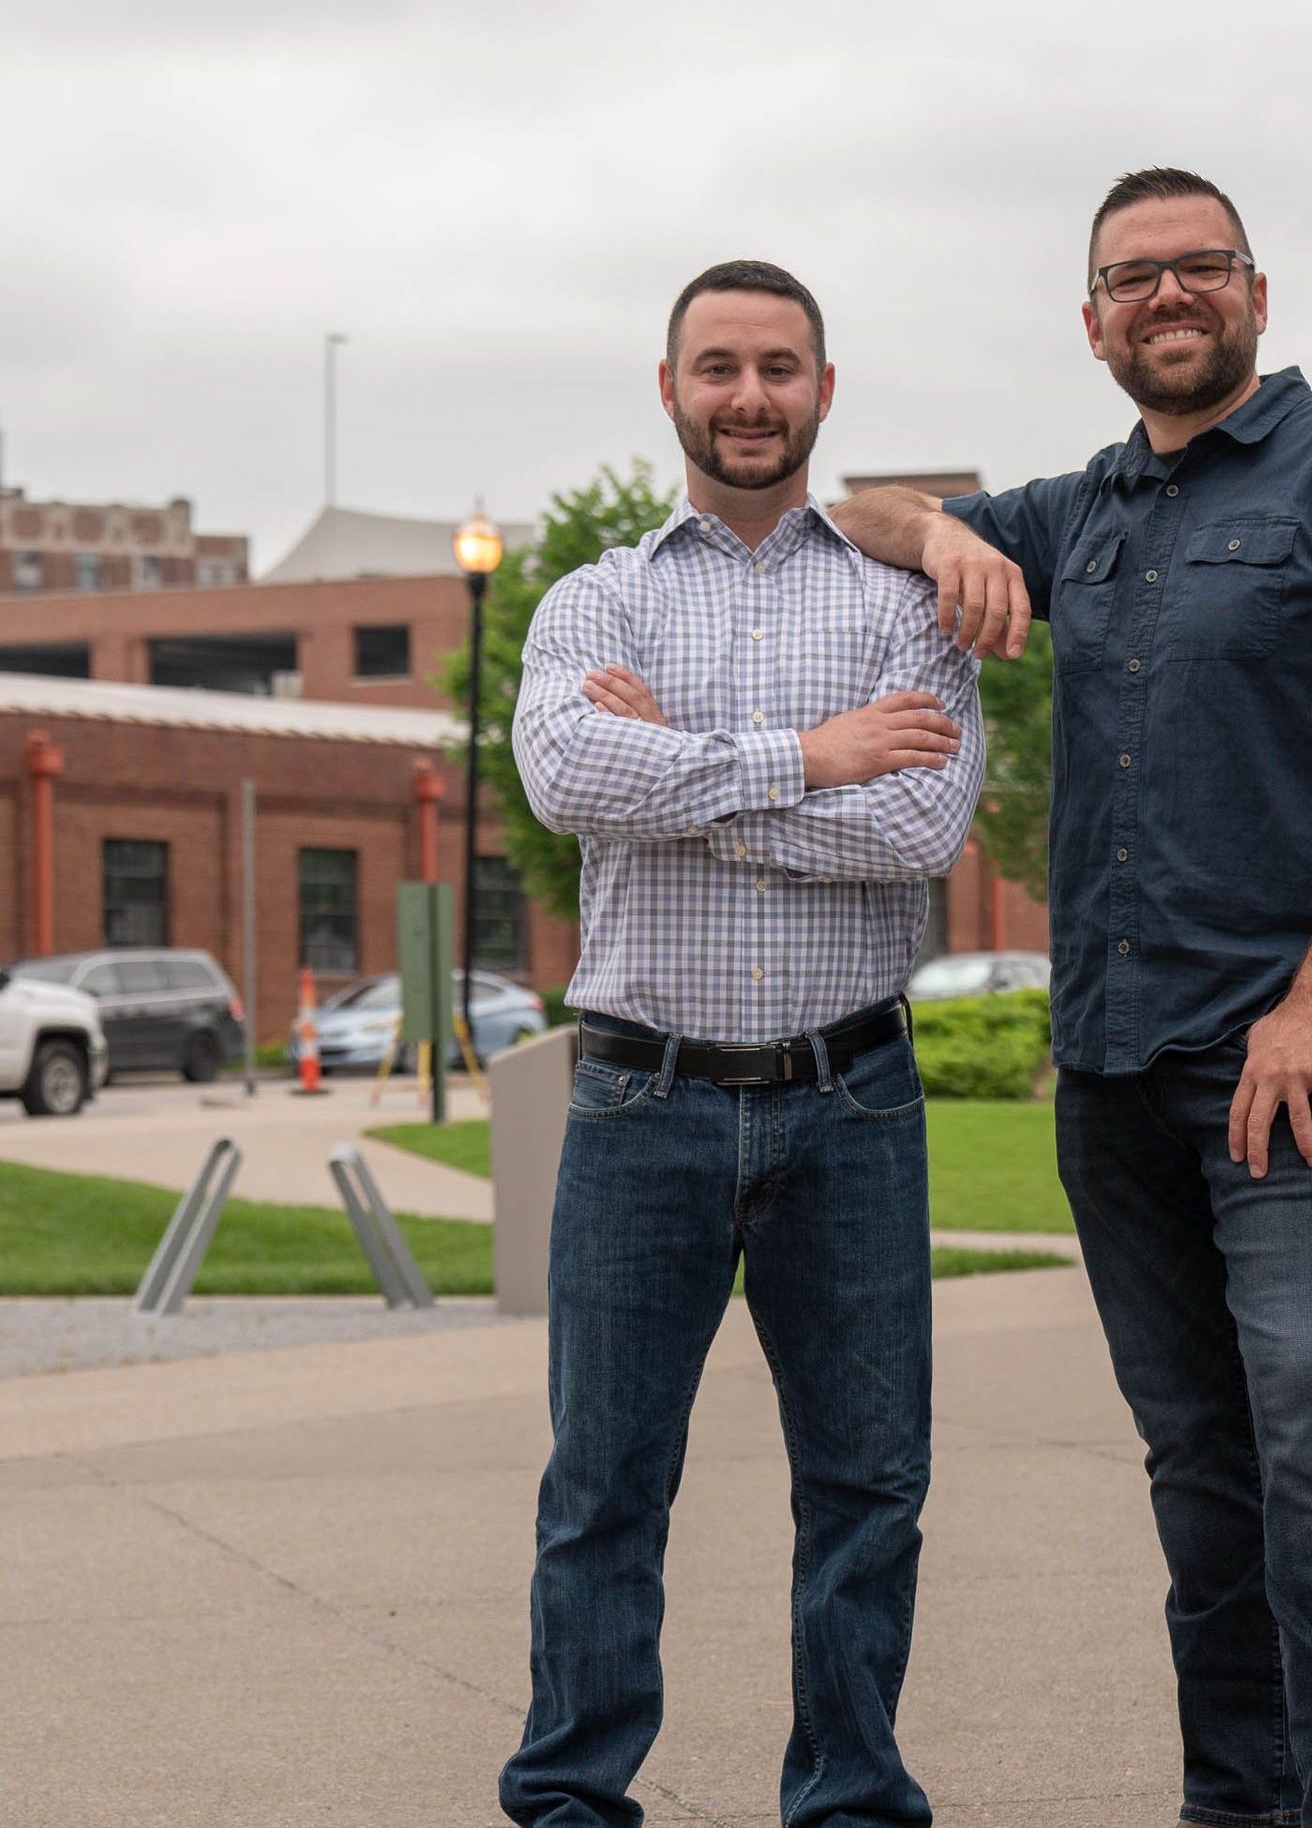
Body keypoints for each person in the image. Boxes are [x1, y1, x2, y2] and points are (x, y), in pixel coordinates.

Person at [833, 168, 1312, 1828]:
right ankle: (1235, 1803)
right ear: (1093, 319)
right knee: (1199, 1470)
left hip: (1287, 1072)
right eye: (1135, 277)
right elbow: (863, 508)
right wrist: (953, 534)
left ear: (1257, 295)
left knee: (1311, 1436)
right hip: (1112, 1073)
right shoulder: (1086, 508)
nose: (1168, 297)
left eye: (1201, 268)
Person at [500, 259, 984, 1828]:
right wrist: (803, 757)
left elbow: (919, 821)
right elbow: (571, 779)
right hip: (640, 1101)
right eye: (719, 367)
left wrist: (686, 776)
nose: (750, 395)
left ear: (825, 392)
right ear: (670, 389)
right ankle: (572, 1799)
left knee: (866, 1492)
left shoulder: (905, 603)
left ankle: (848, 1802)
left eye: (781, 367)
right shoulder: (596, 596)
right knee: (603, 1489)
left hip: (855, 1099)